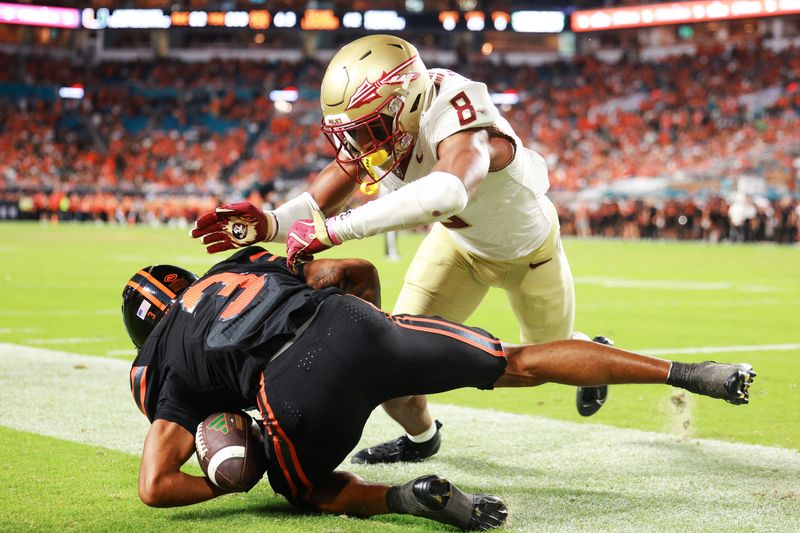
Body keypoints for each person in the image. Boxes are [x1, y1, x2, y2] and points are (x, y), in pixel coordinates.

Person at [191, 35, 631, 463]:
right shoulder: (390, 127)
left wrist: (335, 231)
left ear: (409, 105)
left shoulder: (458, 113)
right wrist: (268, 222)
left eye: (370, 129)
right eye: (354, 132)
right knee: (391, 354)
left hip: (529, 256)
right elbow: (324, 194)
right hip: (458, 247)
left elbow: (447, 192)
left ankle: (588, 349)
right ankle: (423, 439)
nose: (360, 145)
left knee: (544, 361)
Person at [123, 246, 755, 531]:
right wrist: (371, 331)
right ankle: (693, 374)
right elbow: (352, 270)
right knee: (517, 359)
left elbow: (155, 486)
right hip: (352, 323)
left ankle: (409, 498)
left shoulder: (164, 363)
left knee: (306, 489)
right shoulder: (240, 266)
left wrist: (230, 473)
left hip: (291, 392)